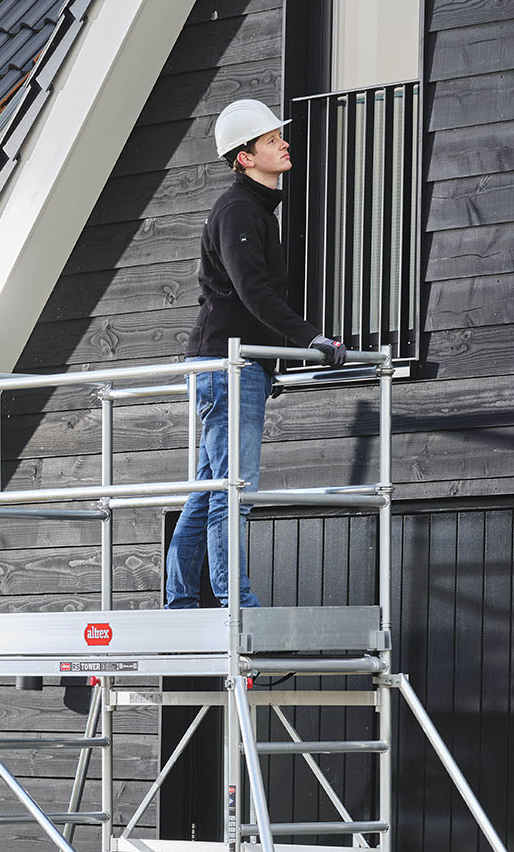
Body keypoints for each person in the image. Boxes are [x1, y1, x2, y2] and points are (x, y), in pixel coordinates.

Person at [165, 99, 345, 609]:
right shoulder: (239, 211)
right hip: (228, 365)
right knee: (233, 491)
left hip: (230, 363)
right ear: (245, 158)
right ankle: (234, 603)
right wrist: (311, 338)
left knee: (210, 489)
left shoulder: (253, 210)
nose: (283, 143)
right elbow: (254, 292)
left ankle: (180, 601)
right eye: (270, 140)